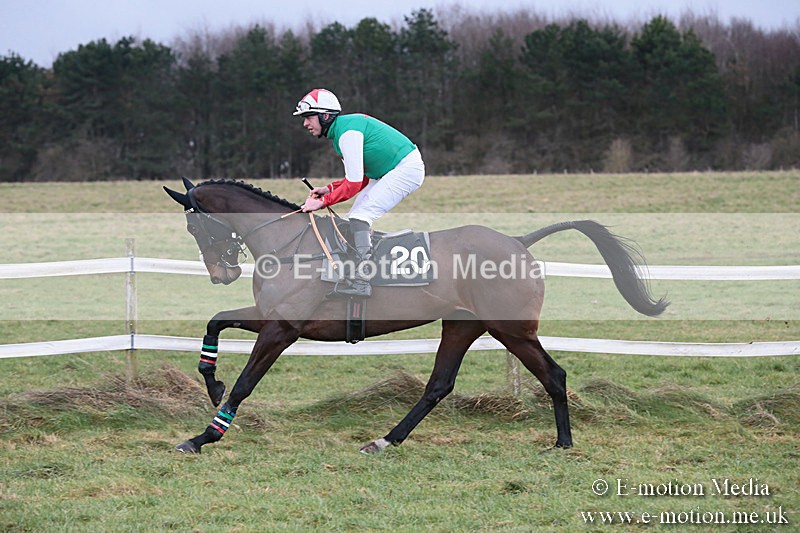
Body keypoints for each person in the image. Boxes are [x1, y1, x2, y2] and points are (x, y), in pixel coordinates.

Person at [295, 88, 425, 298]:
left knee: (360, 217)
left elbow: (355, 184)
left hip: (405, 169)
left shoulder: (347, 134)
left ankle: (362, 281)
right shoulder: (341, 133)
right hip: (387, 171)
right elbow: (360, 177)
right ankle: (353, 275)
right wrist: (329, 189)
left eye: (309, 117)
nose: (305, 124)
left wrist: (322, 203)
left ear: (325, 116)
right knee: (351, 221)